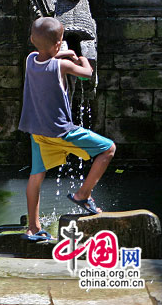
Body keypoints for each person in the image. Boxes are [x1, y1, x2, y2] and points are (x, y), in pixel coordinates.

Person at [18, 16, 116, 241]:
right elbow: (87, 73)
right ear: (58, 42)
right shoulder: (62, 65)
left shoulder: (30, 60)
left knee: (36, 176)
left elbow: (48, 60)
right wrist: (81, 58)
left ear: (33, 40)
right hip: (62, 132)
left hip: (37, 132)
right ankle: (83, 194)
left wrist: (62, 54)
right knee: (108, 149)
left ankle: (33, 227)